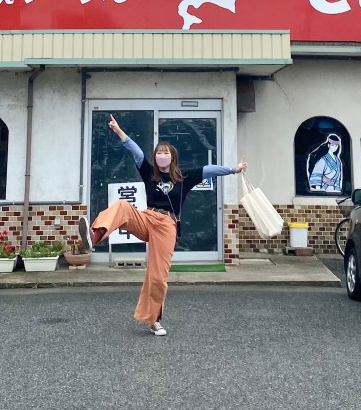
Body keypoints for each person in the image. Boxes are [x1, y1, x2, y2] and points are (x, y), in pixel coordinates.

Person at [78, 115, 246, 337]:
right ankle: (96, 235)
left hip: (167, 225)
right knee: (121, 206)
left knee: (157, 276)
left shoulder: (184, 177)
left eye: (166, 152)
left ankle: (154, 320)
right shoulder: (149, 172)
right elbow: (136, 152)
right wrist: (119, 131)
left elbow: (208, 169)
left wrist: (233, 170)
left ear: (172, 156)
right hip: (148, 218)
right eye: (159, 152)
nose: (162, 155)